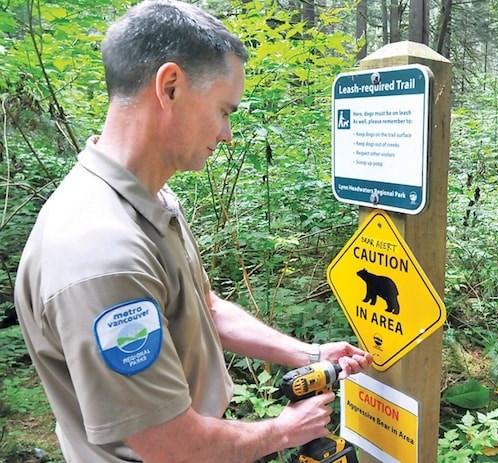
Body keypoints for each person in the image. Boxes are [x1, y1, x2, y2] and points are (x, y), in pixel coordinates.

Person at [13, 1, 372, 462]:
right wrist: (284, 432)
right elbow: (171, 446)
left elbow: (205, 309)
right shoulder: (102, 253)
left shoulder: (151, 202)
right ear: (170, 87)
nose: (226, 134)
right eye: (224, 110)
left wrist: (309, 353)